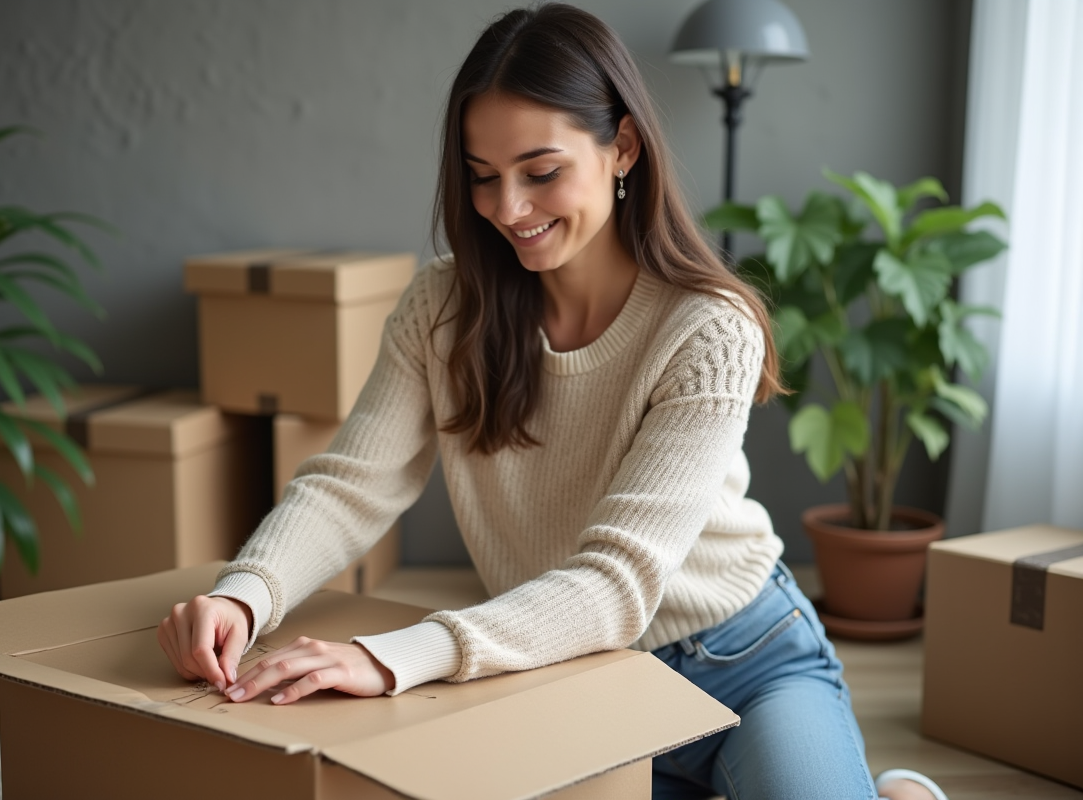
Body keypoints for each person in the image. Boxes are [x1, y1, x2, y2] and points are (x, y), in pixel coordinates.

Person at [158, 5, 948, 799]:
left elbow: (617, 583)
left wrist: (389, 656)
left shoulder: (709, 328)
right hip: (562, 670)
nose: (507, 208)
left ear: (622, 148)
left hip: (742, 661)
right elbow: (352, 482)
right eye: (481, 175)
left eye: (540, 172)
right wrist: (246, 592)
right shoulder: (442, 305)